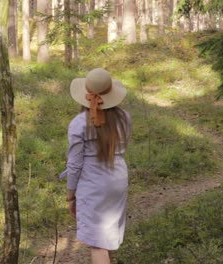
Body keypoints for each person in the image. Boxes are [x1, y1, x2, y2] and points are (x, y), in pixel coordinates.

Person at [59, 68, 131, 264]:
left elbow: (74, 164)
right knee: (106, 237)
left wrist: (70, 194)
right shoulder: (124, 118)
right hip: (118, 179)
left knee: (97, 245)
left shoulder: (79, 123)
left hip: (94, 182)